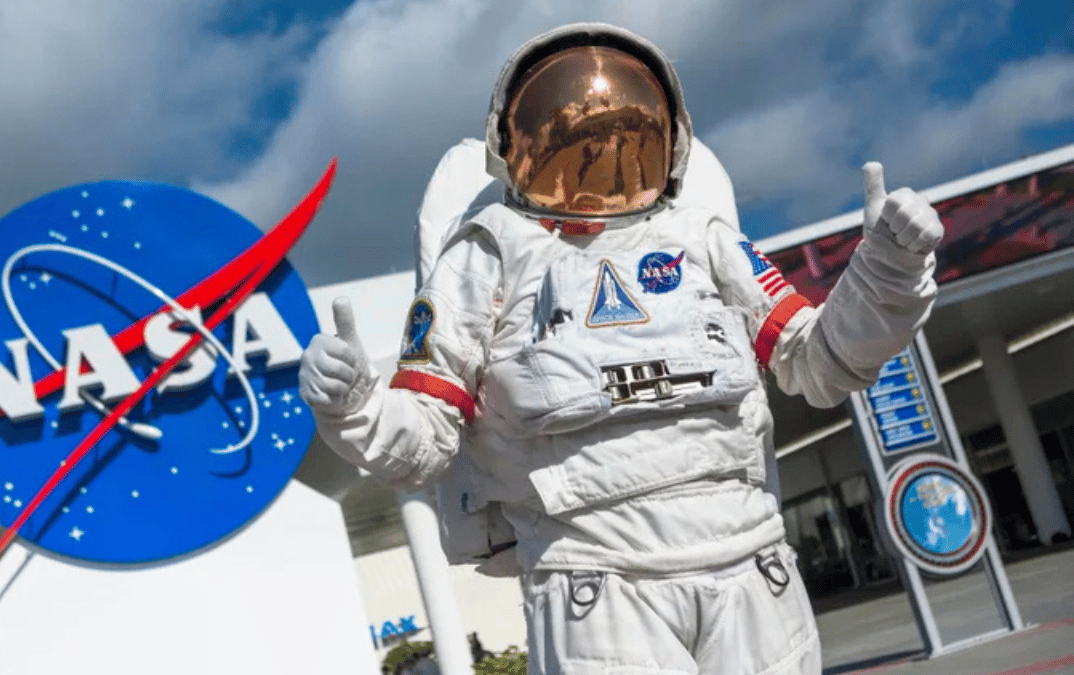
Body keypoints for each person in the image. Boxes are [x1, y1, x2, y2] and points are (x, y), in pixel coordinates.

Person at [300, 22, 943, 675]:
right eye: (567, 134)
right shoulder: (488, 248)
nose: (596, 153)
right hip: (593, 573)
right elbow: (423, 437)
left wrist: (886, 273)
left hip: (749, 558)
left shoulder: (703, 238)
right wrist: (355, 407)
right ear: (511, 145)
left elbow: (820, 360)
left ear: (671, 143)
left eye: (623, 133)